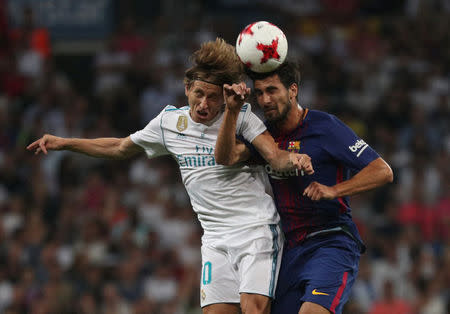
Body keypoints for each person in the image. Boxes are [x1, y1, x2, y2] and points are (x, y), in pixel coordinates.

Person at [27, 39, 314, 314]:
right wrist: (64, 142)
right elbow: (119, 147)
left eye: (213, 98)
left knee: (254, 308)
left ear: (225, 99)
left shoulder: (243, 116)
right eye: (198, 94)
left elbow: (275, 156)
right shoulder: (168, 123)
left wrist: (295, 159)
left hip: (256, 229)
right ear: (186, 87)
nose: (203, 104)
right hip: (214, 237)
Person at [215, 61, 393, 314]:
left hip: (331, 240)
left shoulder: (326, 127)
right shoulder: (264, 138)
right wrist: (232, 111)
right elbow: (226, 157)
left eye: (272, 90)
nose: (265, 100)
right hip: (289, 249)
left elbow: (382, 171)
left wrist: (333, 190)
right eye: (259, 93)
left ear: (293, 90)